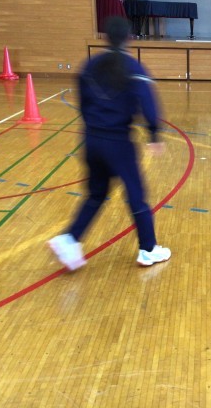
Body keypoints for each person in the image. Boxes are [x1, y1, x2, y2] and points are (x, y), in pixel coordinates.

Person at [48, 16, 171, 270]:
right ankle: (148, 249)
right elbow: (148, 104)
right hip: (118, 143)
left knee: (97, 193)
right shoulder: (134, 69)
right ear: (129, 38)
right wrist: (154, 135)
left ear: (106, 37)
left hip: (91, 139)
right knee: (136, 195)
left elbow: (83, 103)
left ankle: (70, 239)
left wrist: (95, 126)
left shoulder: (89, 66)